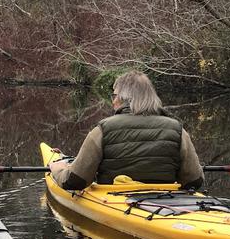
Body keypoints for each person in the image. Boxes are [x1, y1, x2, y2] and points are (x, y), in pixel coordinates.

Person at [49, 71, 204, 190]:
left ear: (123, 98)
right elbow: (194, 181)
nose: (113, 100)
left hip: (113, 201)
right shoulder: (177, 129)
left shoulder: (103, 129)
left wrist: (57, 170)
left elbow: (76, 181)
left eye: (114, 95)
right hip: (166, 203)